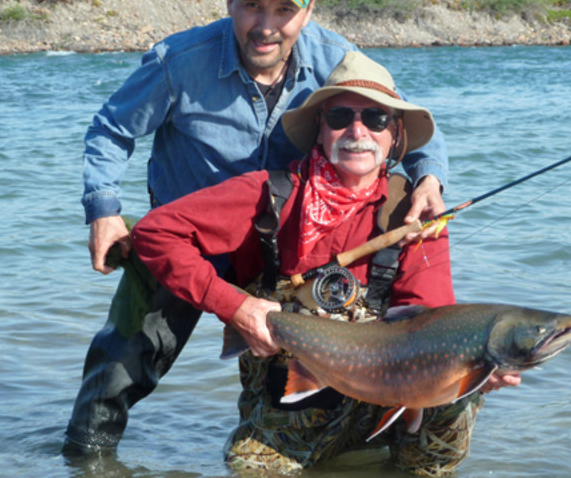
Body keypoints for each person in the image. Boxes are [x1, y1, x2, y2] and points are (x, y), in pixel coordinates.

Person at [65, 0, 450, 454]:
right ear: (228, 1)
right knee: (119, 373)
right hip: (187, 241)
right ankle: (83, 459)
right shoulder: (177, 62)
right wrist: (103, 209)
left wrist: (429, 178)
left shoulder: (336, 59)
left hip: (280, 254)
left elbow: (396, 123)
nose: (266, 25)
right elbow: (110, 129)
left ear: (308, 9)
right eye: (252, 5)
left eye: (283, 8)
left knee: (310, 377)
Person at [130, 51, 520, 476]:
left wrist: (474, 368)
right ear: (319, 129)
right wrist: (235, 307)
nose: (357, 131)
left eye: (376, 119)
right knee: (248, 470)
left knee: (459, 393)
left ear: (396, 135)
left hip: (394, 395)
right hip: (295, 401)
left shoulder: (416, 215)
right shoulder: (269, 195)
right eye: (339, 117)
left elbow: (433, 321)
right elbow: (154, 233)